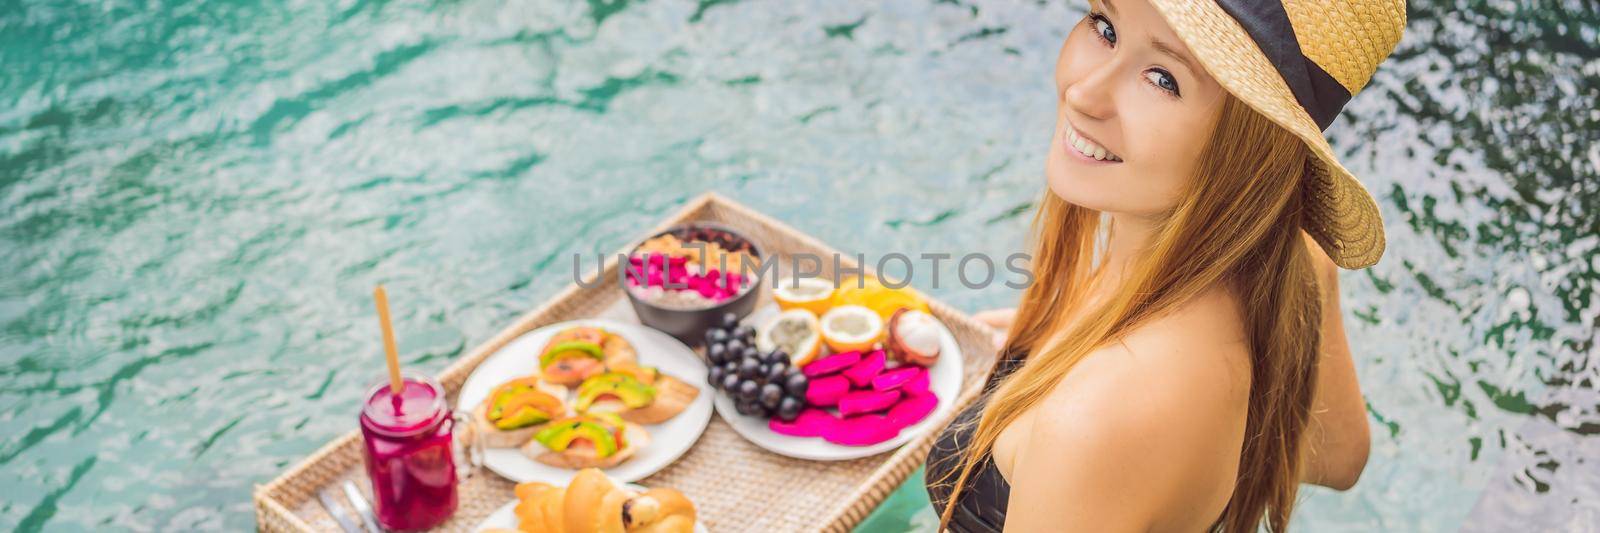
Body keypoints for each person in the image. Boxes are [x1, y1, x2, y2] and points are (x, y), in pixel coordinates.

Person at [922, 0, 1406, 531]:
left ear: (1249, 145)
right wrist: (1057, 347)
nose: (1084, 93)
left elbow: (1117, 416)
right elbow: (1336, 457)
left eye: (1162, 78)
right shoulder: (1288, 261)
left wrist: (1104, 432)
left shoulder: (1094, 420)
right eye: (1105, 27)